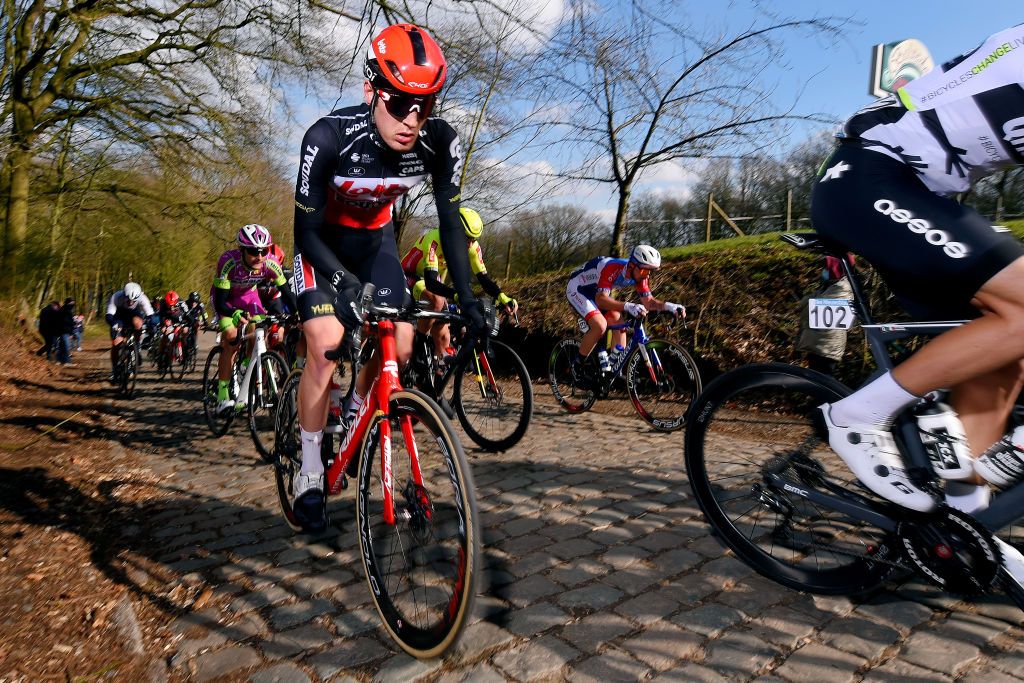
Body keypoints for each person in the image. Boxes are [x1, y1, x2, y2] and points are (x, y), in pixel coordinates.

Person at [809, 25, 1024, 582]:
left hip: (921, 194)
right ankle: (856, 415)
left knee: (1008, 348)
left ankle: (961, 514)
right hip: (870, 177)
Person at [291, 23, 484, 532]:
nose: (413, 120)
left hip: (376, 246)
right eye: (400, 104)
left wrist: (468, 298)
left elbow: (450, 224)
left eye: (427, 106)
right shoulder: (326, 137)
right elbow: (306, 232)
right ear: (370, 91)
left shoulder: (438, 143)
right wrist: (343, 285)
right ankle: (310, 470)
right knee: (327, 341)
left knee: (398, 341)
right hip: (323, 250)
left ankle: (358, 410)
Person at [401, 207, 518, 363]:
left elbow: (484, 279)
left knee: (444, 334)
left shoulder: (472, 247)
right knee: (437, 301)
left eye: (474, 239)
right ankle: (419, 345)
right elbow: (430, 283)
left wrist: (502, 296)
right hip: (409, 275)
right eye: (467, 238)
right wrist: (456, 295)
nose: (470, 244)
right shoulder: (434, 238)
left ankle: (436, 372)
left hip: (432, 281)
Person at [565, 245, 685, 379]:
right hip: (578, 289)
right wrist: (628, 306)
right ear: (633, 265)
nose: (647, 275)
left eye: (650, 272)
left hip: (596, 292)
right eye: (645, 271)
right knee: (600, 325)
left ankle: (611, 371)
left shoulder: (640, 275)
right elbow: (600, 300)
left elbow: (649, 302)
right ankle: (576, 365)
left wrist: (670, 307)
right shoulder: (612, 267)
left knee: (619, 322)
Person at [210, 224, 296, 413]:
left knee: (259, 329)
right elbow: (222, 301)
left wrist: (299, 314)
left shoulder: (271, 263)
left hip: (249, 296)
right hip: (226, 298)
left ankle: (246, 367)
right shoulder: (228, 261)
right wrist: (234, 314)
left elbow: (287, 293)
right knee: (231, 337)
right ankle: (223, 396)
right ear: (242, 249)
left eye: (263, 251)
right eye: (253, 251)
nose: (259, 257)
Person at [796, 255, 855, 375]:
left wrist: (807, 302)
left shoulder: (842, 289)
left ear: (836, 270)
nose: (824, 271)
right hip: (819, 344)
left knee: (823, 380)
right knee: (816, 379)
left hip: (827, 347)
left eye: (827, 268)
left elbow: (811, 310)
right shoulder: (830, 287)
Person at [105, 282, 154, 381]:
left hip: (134, 315)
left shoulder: (142, 298)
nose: (131, 302)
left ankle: (137, 347)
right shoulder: (116, 297)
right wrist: (114, 324)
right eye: (129, 300)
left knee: (138, 323)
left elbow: (150, 315)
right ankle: (115, 370)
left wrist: (151, 327)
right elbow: (109, 315)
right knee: (116, 343)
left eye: (133, 301)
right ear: (124, 295)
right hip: (119, 317)